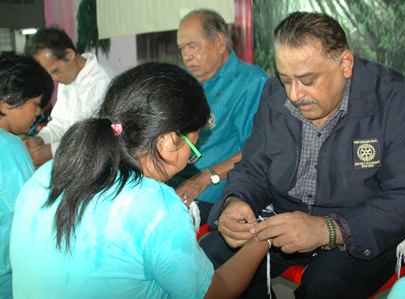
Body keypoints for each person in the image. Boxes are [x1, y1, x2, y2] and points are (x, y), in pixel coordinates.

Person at [201, 11, 405, 299]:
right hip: (287, 216)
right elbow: (254, 166)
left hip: (362, 225)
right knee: (209, 256)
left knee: (325, 284)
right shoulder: (275, 93)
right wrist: (237, 201)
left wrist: (328, 229)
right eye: (285, 78)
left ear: (345, 64)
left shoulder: (394, 98)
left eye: (307, 79)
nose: (295, 94)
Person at [10, 62, 270, 299]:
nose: (192, 156)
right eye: (194, 146)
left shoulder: (47, 174)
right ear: (168, 141)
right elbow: (215, 293)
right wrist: (264, 237)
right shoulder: (157, 208)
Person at [173, 9, 267, 222]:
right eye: (182, 49)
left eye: (192, 46)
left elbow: (257, 152)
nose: (186, 56)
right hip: (177, 179)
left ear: (219, 41)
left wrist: (204, 178)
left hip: (214, 193)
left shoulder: (251, 83)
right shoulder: (184, 81)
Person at [0, 54, 53, 299]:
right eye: (36, 104)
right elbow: (30, 214)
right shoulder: (9, 148)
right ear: (9, 100)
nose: (38, 113)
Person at [23, 27, 115, 167]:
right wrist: (41, 139)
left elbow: (95, 138)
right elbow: (61, 123)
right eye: (50, 74)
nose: (54, 78)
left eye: (55, 71)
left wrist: (50, 151)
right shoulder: (68, 77)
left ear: (69, 54)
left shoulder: (102, 83)